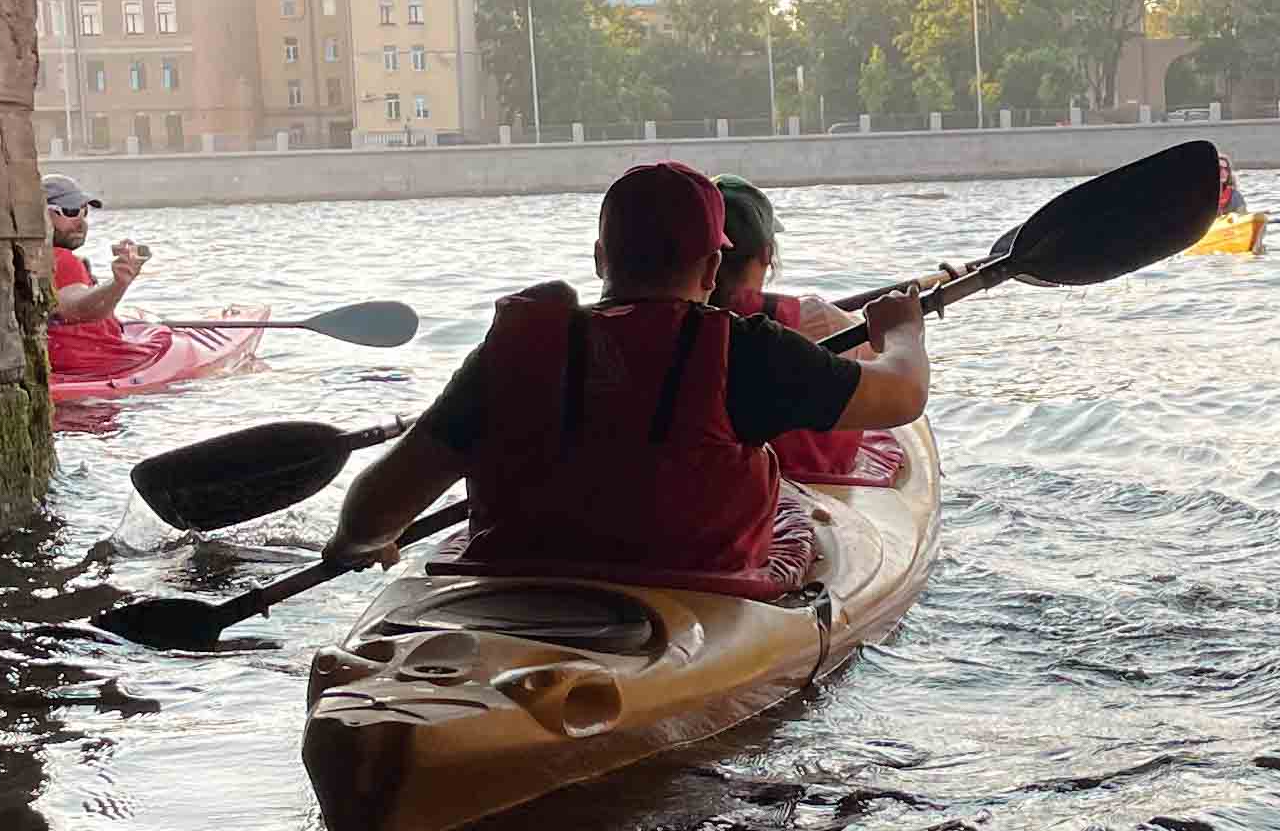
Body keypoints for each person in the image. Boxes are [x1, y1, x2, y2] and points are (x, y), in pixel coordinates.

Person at [330, 159, 929, 592]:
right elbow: (901, 396)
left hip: (515, 585)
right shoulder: (744, 351)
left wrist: (355, 543)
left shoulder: (511, 351)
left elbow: (373, 511)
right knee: (792, 510)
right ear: (712, 266)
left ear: (600, 258)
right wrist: (903, 331)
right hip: (699, 590)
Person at [713, 179, 913, 485]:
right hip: (817, 474)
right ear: (767, 254)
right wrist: (906, 329)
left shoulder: (680, 330)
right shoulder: (814, 319)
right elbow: (888, 369)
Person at [42, 176, 165, 382]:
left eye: (85, 212)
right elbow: (75, 308)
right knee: (163, 337)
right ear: (42, 216)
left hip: (67, 367)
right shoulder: (62, 260)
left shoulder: (26, 259)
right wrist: (118, 283)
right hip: (99, 367)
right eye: (70, 212)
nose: (81, 222)